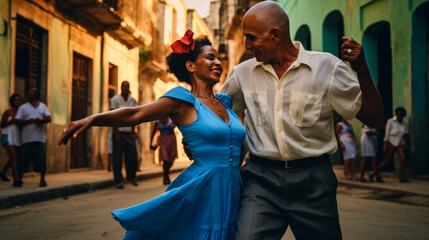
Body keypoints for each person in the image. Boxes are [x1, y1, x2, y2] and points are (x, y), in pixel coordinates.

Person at [58, 32, 246, 239]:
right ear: (191, 66)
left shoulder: (225, 103)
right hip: (204, 188)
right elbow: (135, 113)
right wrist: (93, 119)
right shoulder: (183, 100)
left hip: (234, 188)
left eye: (218, 58)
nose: (218, 62)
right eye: (210, 57)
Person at [220, 2, 384, 239]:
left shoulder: (326, 67)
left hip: (314, 182)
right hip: (260, 181)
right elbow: (218, 114)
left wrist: (362, 70)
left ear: (275, 35)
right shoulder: (242, 73)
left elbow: (374, 118)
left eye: (252, 38)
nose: (247, 45)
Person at [15, 88, 51, 187]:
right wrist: (29, 121)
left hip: (40, 138)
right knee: (23, 159)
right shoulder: (23, 107)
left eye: (33, 92)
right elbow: (18, 121)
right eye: (29, 91)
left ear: (36, 94)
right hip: (27, 138)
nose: (30, 93)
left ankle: (42, 180)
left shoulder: (42, 106)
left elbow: (48, 118)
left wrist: (40, 120)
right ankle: (20, 179)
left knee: (41, 159)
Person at [110, 81, 139, 189]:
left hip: (129, 132)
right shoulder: (115, 100)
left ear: (129, 88)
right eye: (123, 86)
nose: (125, 88)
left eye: (127, 86)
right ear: (121, 88)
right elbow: (112, 117)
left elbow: (134, 117)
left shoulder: (133, 100)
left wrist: (134, 131)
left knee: (132, 156)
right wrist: (116, 132)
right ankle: (118, 180)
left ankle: (131, 176)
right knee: (117, 158)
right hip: (119, 132)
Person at [370, 107, 409, 183]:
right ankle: (373, 173)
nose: (398, 116)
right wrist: (385, 144)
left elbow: (406, 135)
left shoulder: (404, 124)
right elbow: (387, 133)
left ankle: (401, 176)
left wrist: (406, 145)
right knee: (387, 160)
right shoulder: (391, 121)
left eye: (400, 114)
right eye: (397, 114)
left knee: (403, 158)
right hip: (391, 142)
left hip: (400, 142)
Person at [0, 94, 23, 186]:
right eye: (15, 100)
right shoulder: (8, 112)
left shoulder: (21, 112)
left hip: (16, 137)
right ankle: (16, 179)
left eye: (19, 100)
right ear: (12, 101)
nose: (17, 102)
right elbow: (2, 124)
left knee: (15, 157)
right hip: (8, 136)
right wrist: (11, 121)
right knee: (14, 156)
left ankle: (2, 172)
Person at [150, 116, 178, 185]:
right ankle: (166, 176)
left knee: (171, 159)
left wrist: (173, 126)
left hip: (172, 140)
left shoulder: (171, 120)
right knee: (165, 159)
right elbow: (153, 132)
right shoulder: (157, 122)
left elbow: (178, 125)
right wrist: (150, 143)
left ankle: (166, 174)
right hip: (162, 140)